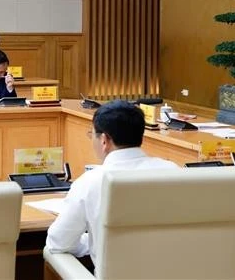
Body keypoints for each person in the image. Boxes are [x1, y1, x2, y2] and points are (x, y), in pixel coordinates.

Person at [46, 101, 178, 275]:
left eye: (92, 134)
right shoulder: (174, 171)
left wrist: (93, 241)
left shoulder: (90, 182)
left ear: (104, 140)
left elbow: (58, 243)